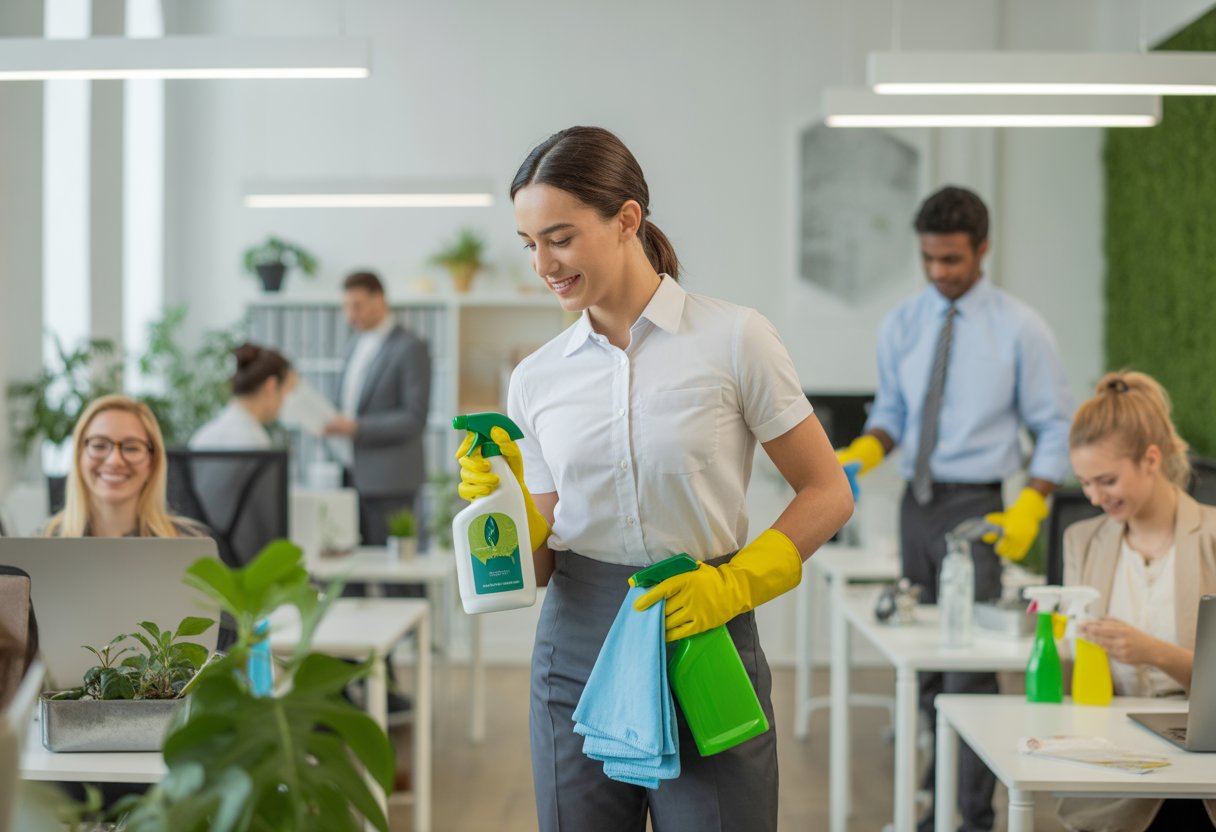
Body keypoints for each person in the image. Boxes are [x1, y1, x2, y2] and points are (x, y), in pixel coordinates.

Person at [457, 126, 853, 832]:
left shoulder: (735, 339)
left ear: (626, 220)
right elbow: (542, 565)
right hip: (577, 645)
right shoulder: (537, 378)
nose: (543, 264)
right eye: (529, 244)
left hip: (704, 634)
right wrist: (508, 505)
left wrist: (737, 584)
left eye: (560, 237)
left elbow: (828, 492)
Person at [835, 186, 1073, 832]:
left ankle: (971, 819)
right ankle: (937, 800)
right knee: (925, 663)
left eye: (953, 261)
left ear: (983, 249)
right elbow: (892, 415)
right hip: (918, 502)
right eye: (930, 259)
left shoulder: (1021, 329)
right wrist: (861, 453)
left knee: (968, 671)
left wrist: (1030, 506)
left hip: (980, 509)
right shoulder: (903, 324)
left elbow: (1053, 430)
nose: (939, 272)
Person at [1059, 371, 1216, 832]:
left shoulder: (1210, 537)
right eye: (1085, 483)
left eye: (1106, 480)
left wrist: (1152, 652)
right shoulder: (1081, 542)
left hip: (1201, 767)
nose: (1094, 497)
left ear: (1151, 458)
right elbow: (1068, 662)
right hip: (1111, 756)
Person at [324, 271, 431, 546]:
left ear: (379, 299)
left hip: (391, 482)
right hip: (350, 476)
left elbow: (414, 418)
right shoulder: (353, 346)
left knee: (397, 578)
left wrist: (356, 428)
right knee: (349, 571)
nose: (350, 315)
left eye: (356, 306)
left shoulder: (410, 347)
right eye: (346, 307)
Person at [44, 395, 206, 539]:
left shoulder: (190, 543)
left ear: (153, 461)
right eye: (99, 445)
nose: (115, 461)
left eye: (131, 448)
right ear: (79, 456)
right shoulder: (43, 544)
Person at [190, 343, 296, 450]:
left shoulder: (202, 437)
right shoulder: (254, 442)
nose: (284, 401)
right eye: (285, 393)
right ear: (271, 386)